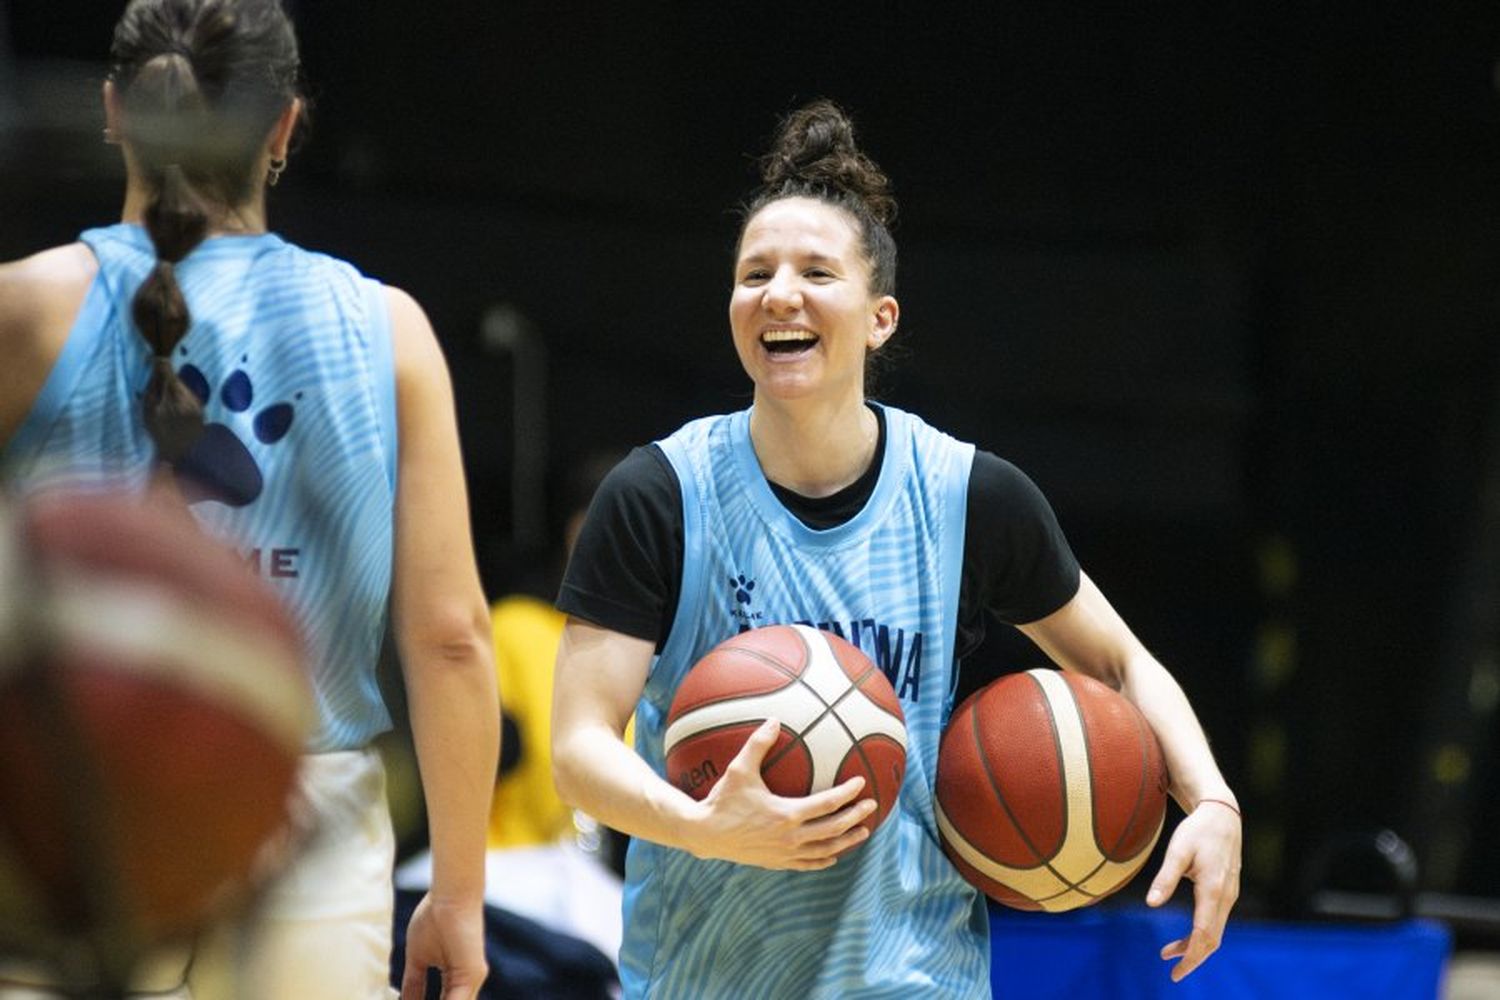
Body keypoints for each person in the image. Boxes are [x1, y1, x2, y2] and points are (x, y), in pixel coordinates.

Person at [550, 99, 1242, 999]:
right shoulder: (659, 495)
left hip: (914, 974)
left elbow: (1118, 664)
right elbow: (578, 747)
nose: (779, 293)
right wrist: (704, 825)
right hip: (706, 974)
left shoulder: (966, 495)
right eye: (754, 272)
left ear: (879, 319)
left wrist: (1212, 802)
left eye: (815, 271)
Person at [0, 2, 497, 998]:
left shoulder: (23, 305)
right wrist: (458, 891)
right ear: (284, 126)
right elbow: (451, 638)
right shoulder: (389, 332)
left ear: (114, 114)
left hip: (67, 801)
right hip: (295, 819)